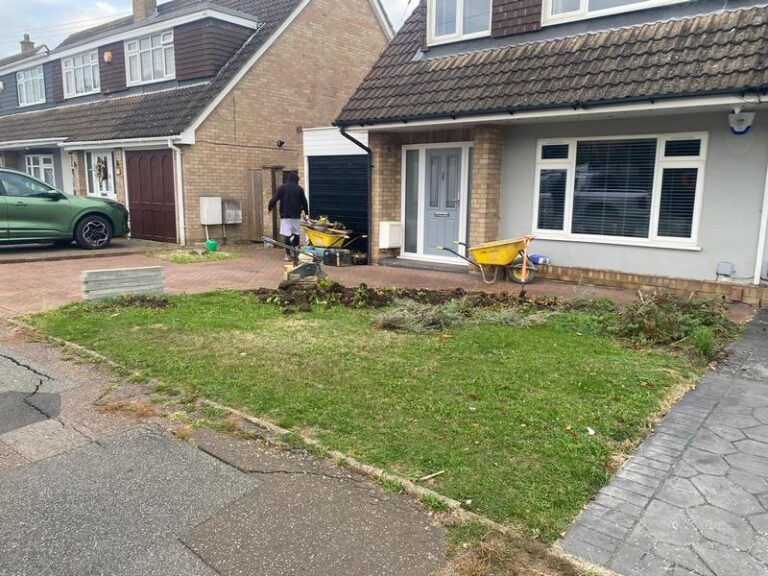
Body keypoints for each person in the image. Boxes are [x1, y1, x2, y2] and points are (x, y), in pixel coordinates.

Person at [268, 172, 308, 260]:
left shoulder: (282, 188)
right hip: (296, 215)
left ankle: (287, 254)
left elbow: (275, 198)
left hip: (285, 215)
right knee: (296, 233)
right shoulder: (299, 189)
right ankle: (295, 252)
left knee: (287, 234)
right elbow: (304, 202)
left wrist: (270, 206)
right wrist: (306, 212)